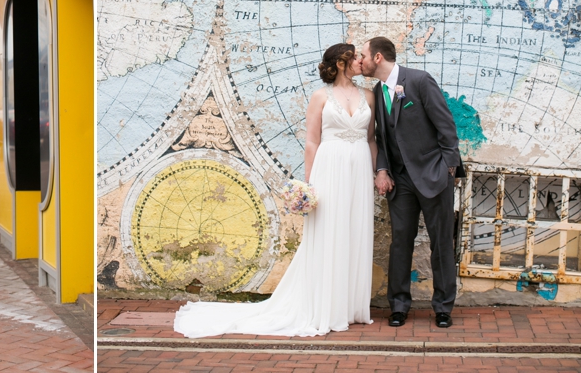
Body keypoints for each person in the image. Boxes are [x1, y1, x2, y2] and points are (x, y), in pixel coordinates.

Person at [174, 44, 378, 338]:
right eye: (356, 56)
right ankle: (324, 306)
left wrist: (374, 171)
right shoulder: (321, 96)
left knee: (355, 231)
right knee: (328, 232)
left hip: (358, 169)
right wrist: (308, 184)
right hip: (329, 168)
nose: (361, 61)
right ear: (342, 62)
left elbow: (371, 139)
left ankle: (349, 306)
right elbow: (312, 141)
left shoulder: (369, 96)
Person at [361, 36, 464, 329]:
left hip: (434, 174)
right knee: (400, 243)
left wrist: (449, 170)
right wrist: (382, 170)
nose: (361, 61)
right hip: (400, 180)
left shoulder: (419, 80)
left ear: (378, 57)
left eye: (364, 56)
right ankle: (399, 306)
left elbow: (447, 127)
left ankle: (443, 307)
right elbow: (381, 138)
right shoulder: (377, 91)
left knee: (441, 243)